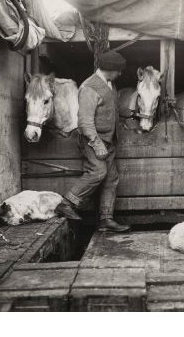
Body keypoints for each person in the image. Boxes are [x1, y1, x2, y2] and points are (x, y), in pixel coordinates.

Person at [55, 50, 130, 232]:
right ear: (110, 69)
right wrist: (96, 143)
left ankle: (106, 219)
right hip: (93, 139)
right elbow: (85, 120)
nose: (120, 74)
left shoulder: (110, 86)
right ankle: (66, 203)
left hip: (108, 140)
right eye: (118, 70)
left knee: (111, 178)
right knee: (98, 172)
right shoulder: (89, 87)